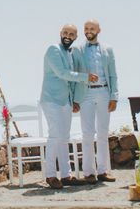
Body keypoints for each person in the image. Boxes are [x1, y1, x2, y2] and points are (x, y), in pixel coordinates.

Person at [40, 23, 98, 189]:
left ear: (75, 37)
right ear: (60, 33)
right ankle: (50, 175)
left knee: (64, 137)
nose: (68, 36)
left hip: (65, 101)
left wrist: (75, 101)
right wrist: (85, 77)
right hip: (51, 99)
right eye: (65, 32)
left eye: (71, 34)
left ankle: (66, 175)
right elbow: (62, 74)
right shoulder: (53, 50)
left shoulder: (71, 54)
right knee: (55, 135)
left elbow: (70, 82)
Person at [73, 19, 118, 184]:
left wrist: (114, 96)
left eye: (92, 28)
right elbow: (74, 75)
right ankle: (89, 172)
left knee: (103, 133)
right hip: (86, 94)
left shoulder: (108, 49)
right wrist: (74, 99)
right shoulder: (76, 49)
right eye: (86, 28)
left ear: (99, 30)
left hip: (104, 92)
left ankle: (103, 171)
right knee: (87, 133)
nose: (88, 30)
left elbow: (113, 74)